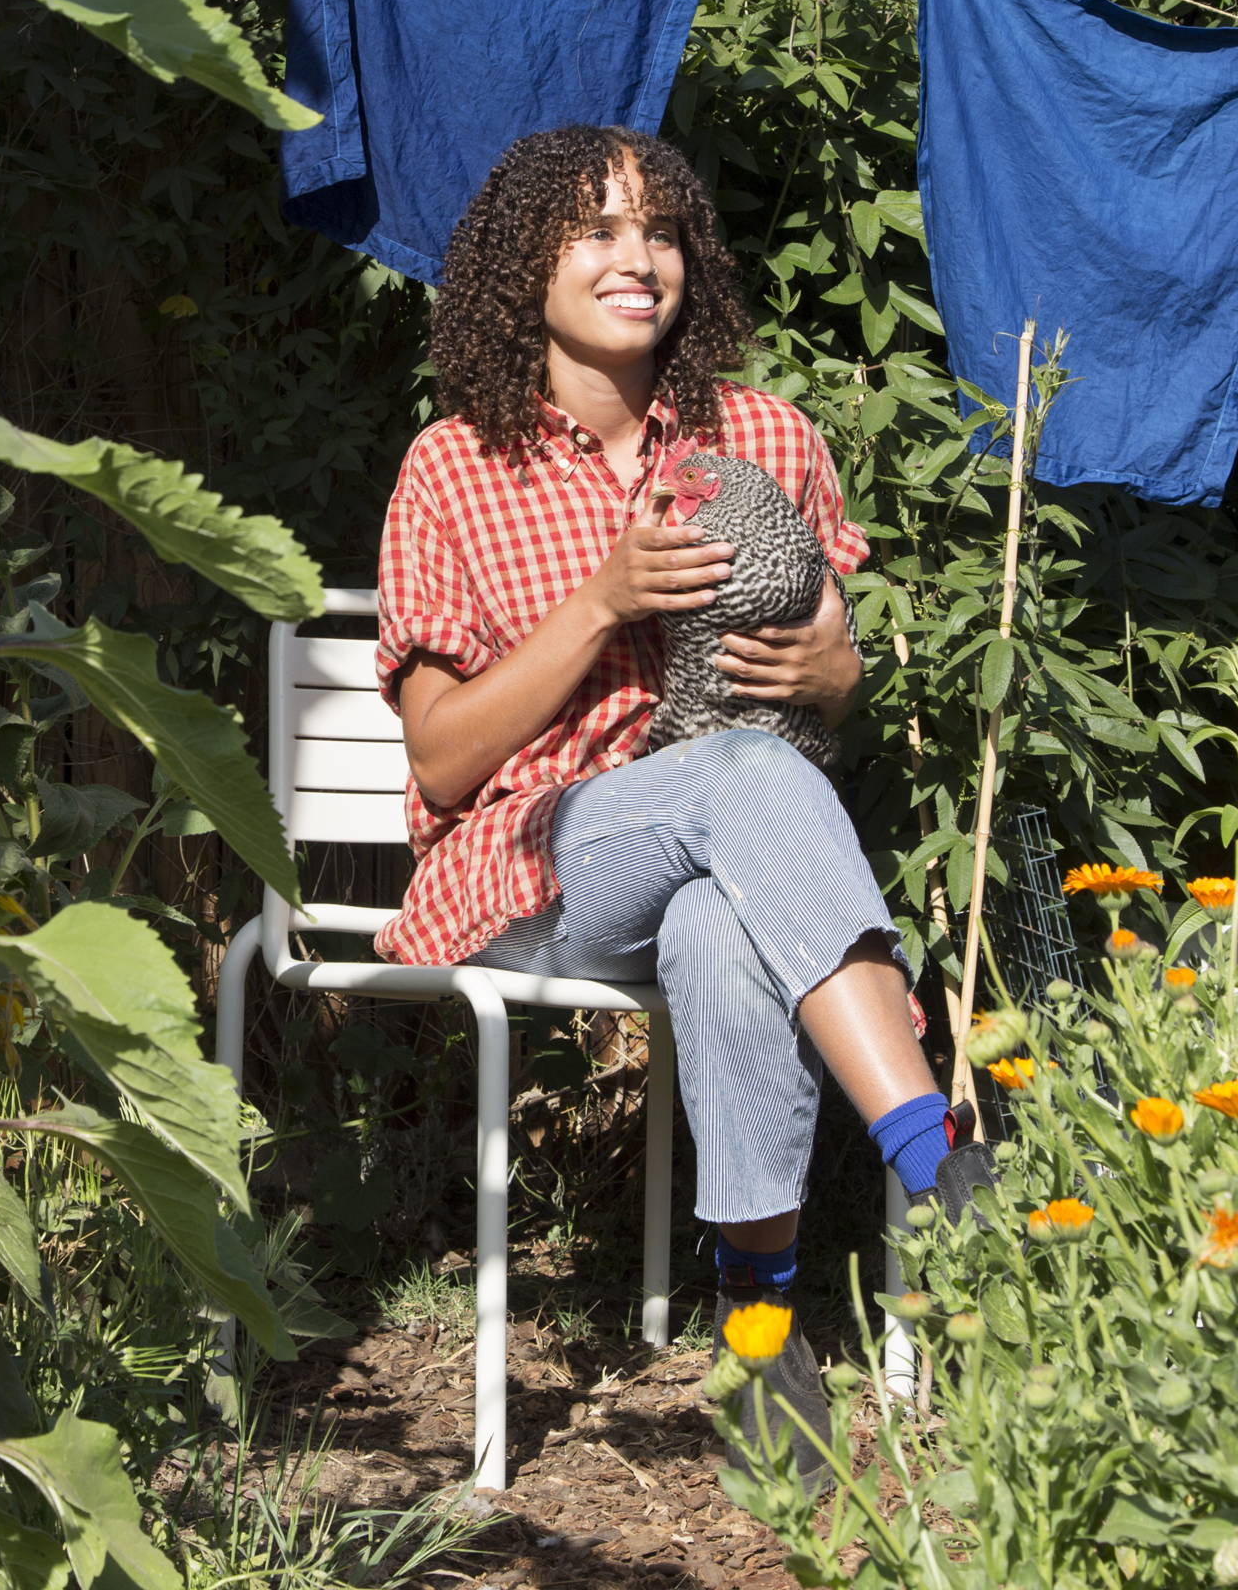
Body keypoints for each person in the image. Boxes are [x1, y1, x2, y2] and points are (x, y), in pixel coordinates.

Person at [374, 124, 955, 1479]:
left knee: (717, 925)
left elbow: (826, 661)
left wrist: (838, 665)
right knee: (737, 784)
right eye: (594, 231)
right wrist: (604, 603)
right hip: (534, 869)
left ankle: (759, 1336)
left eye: (659, 230)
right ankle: (936, 1158)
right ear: (525, 268)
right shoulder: (454, 467)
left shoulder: (762, 436)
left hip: (732, 851)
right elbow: (445, 762)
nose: (635, 258)